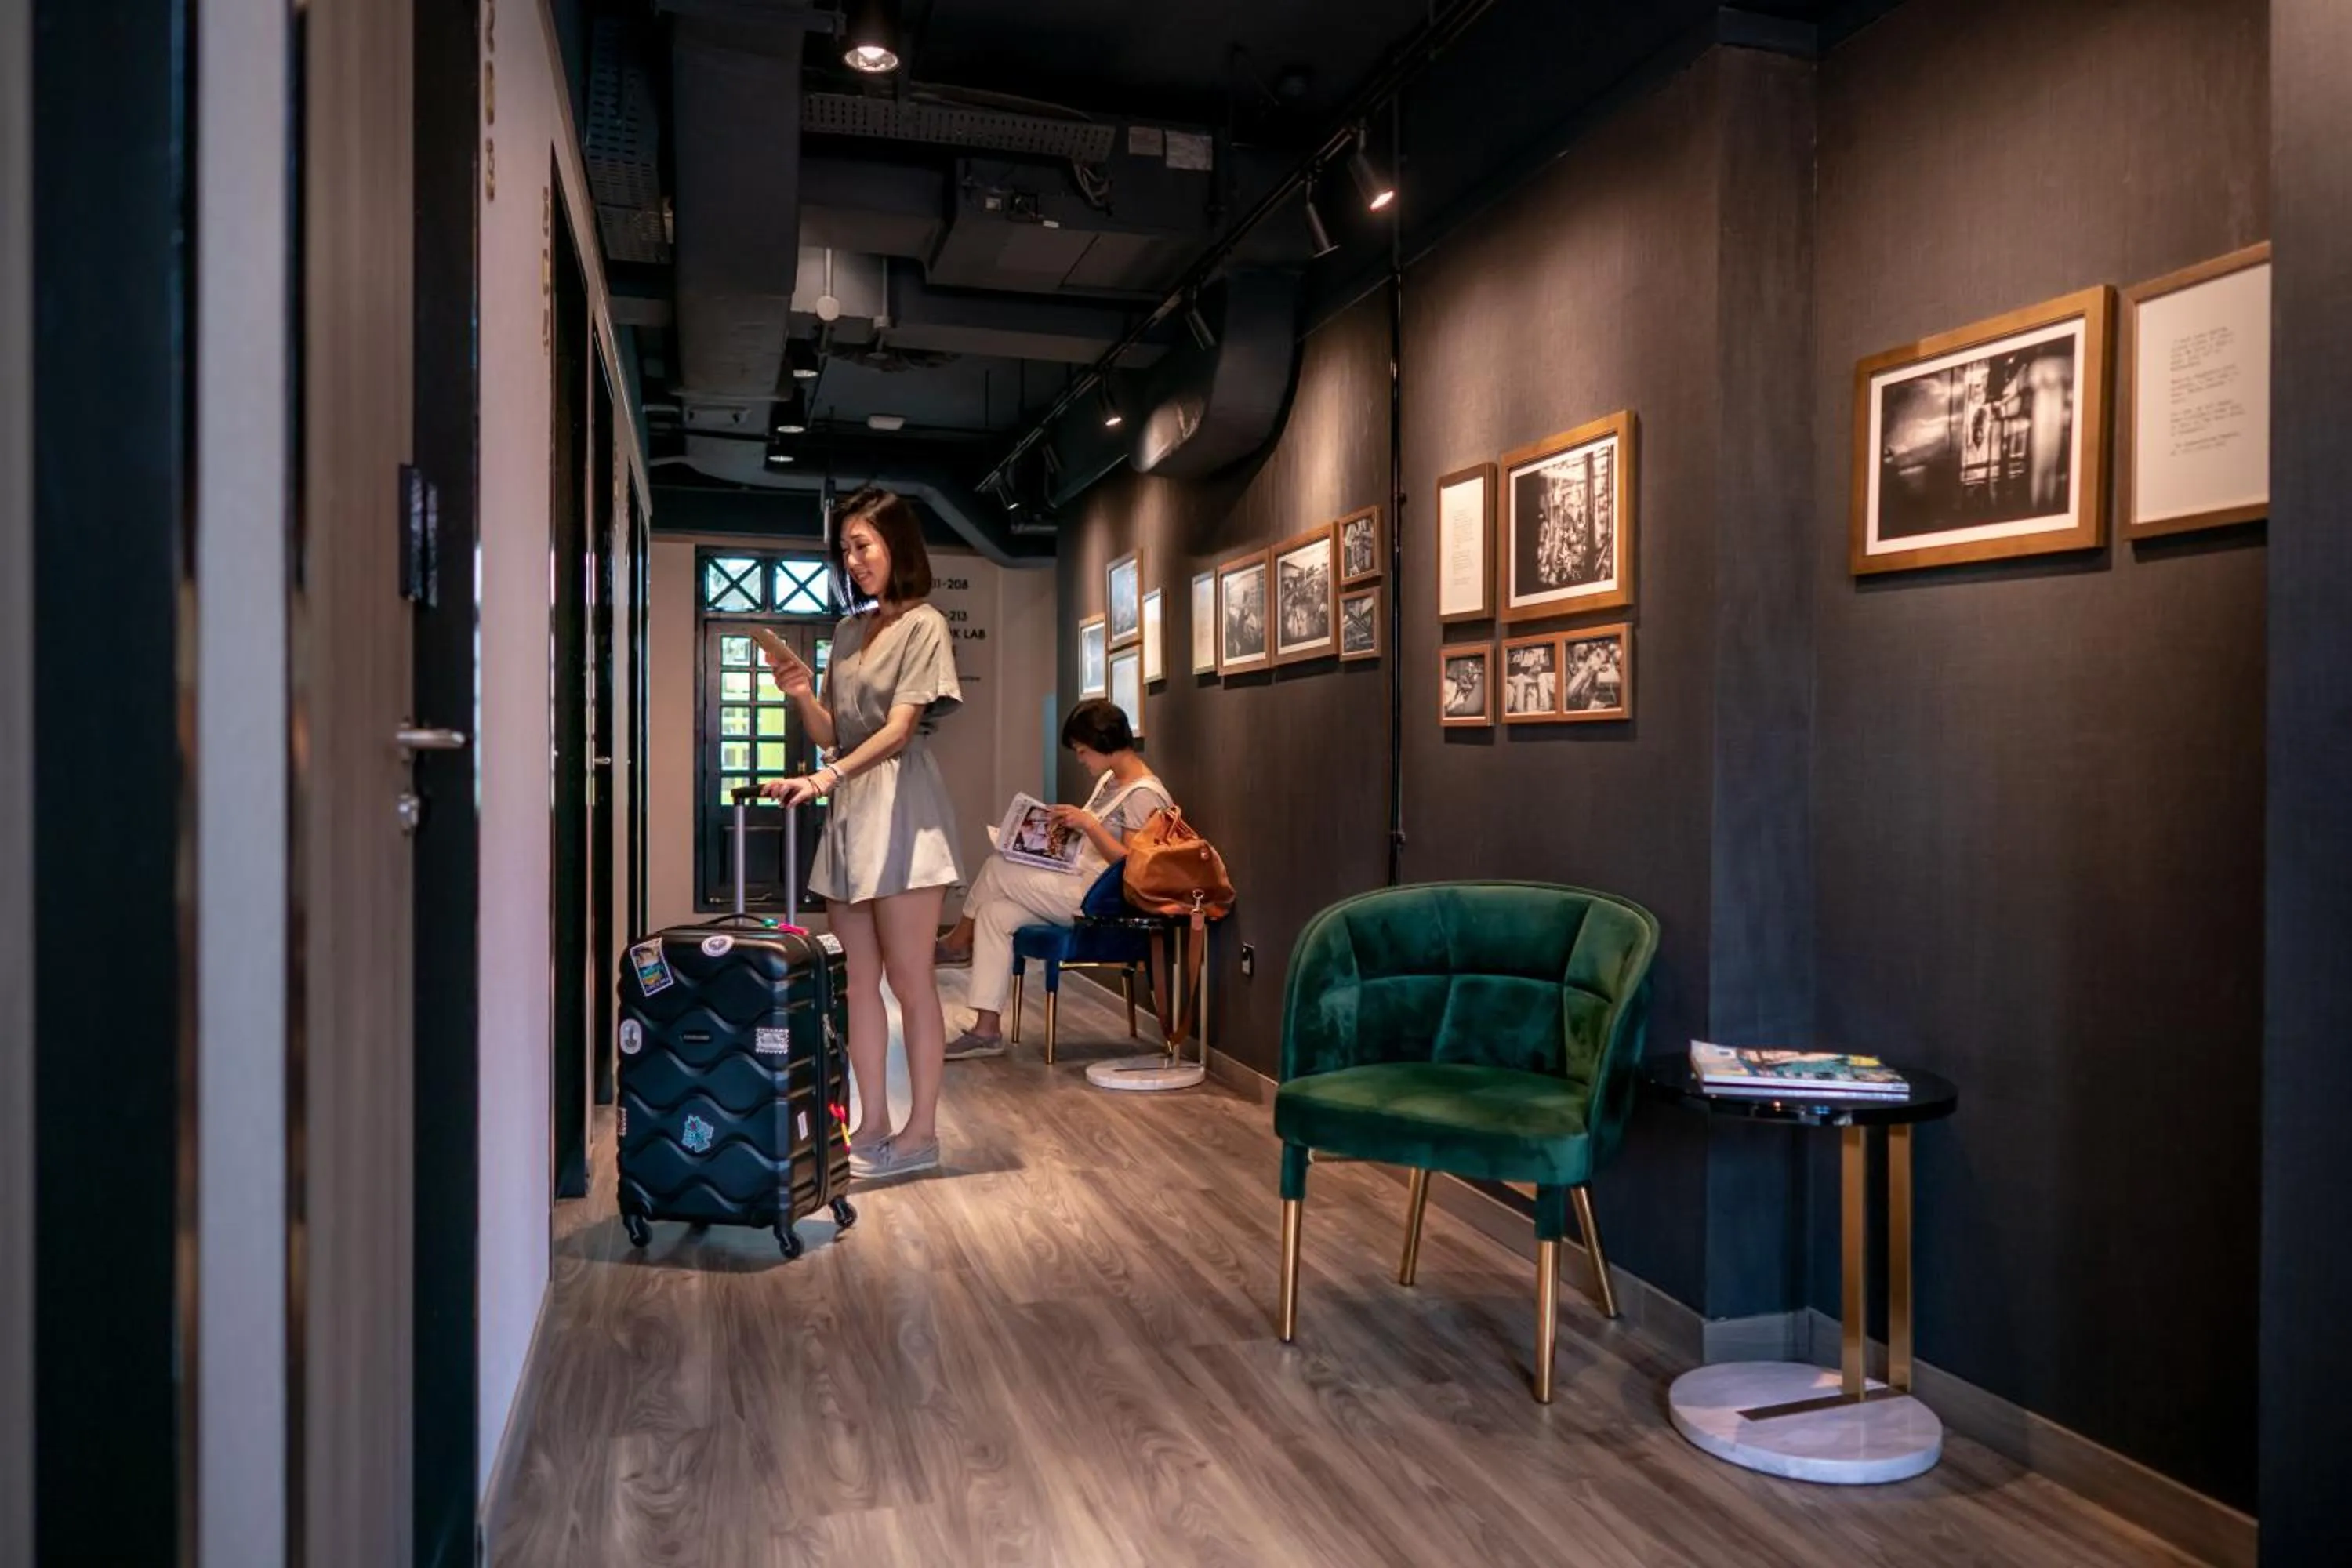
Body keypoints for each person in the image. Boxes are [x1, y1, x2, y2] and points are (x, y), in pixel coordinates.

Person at [759, 487, 963, 1181]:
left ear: (897, 545)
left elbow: (900, 730)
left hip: (903, 811)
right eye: (845, 549)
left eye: (863, 546)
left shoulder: (926, 624)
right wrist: (799, 694)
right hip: (850, 813)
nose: (852, 560)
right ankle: (873, 1120)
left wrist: (824, 781)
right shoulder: (848, 633)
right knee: (857, 986)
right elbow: (832, 736)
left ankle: (923, 1130)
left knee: (912, 982)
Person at [932, 699, 1172, 1059]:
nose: (1081, 759)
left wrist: (1088, 824)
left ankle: (956, 943)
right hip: (1077, 882)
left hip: (1101, 900)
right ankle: (986, 1030)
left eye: (1083, 751)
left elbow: (1132, 864)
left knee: (998, 868)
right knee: (995, 913)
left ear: (1105, 745)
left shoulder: (1144, 794)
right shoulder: (1111, 780)